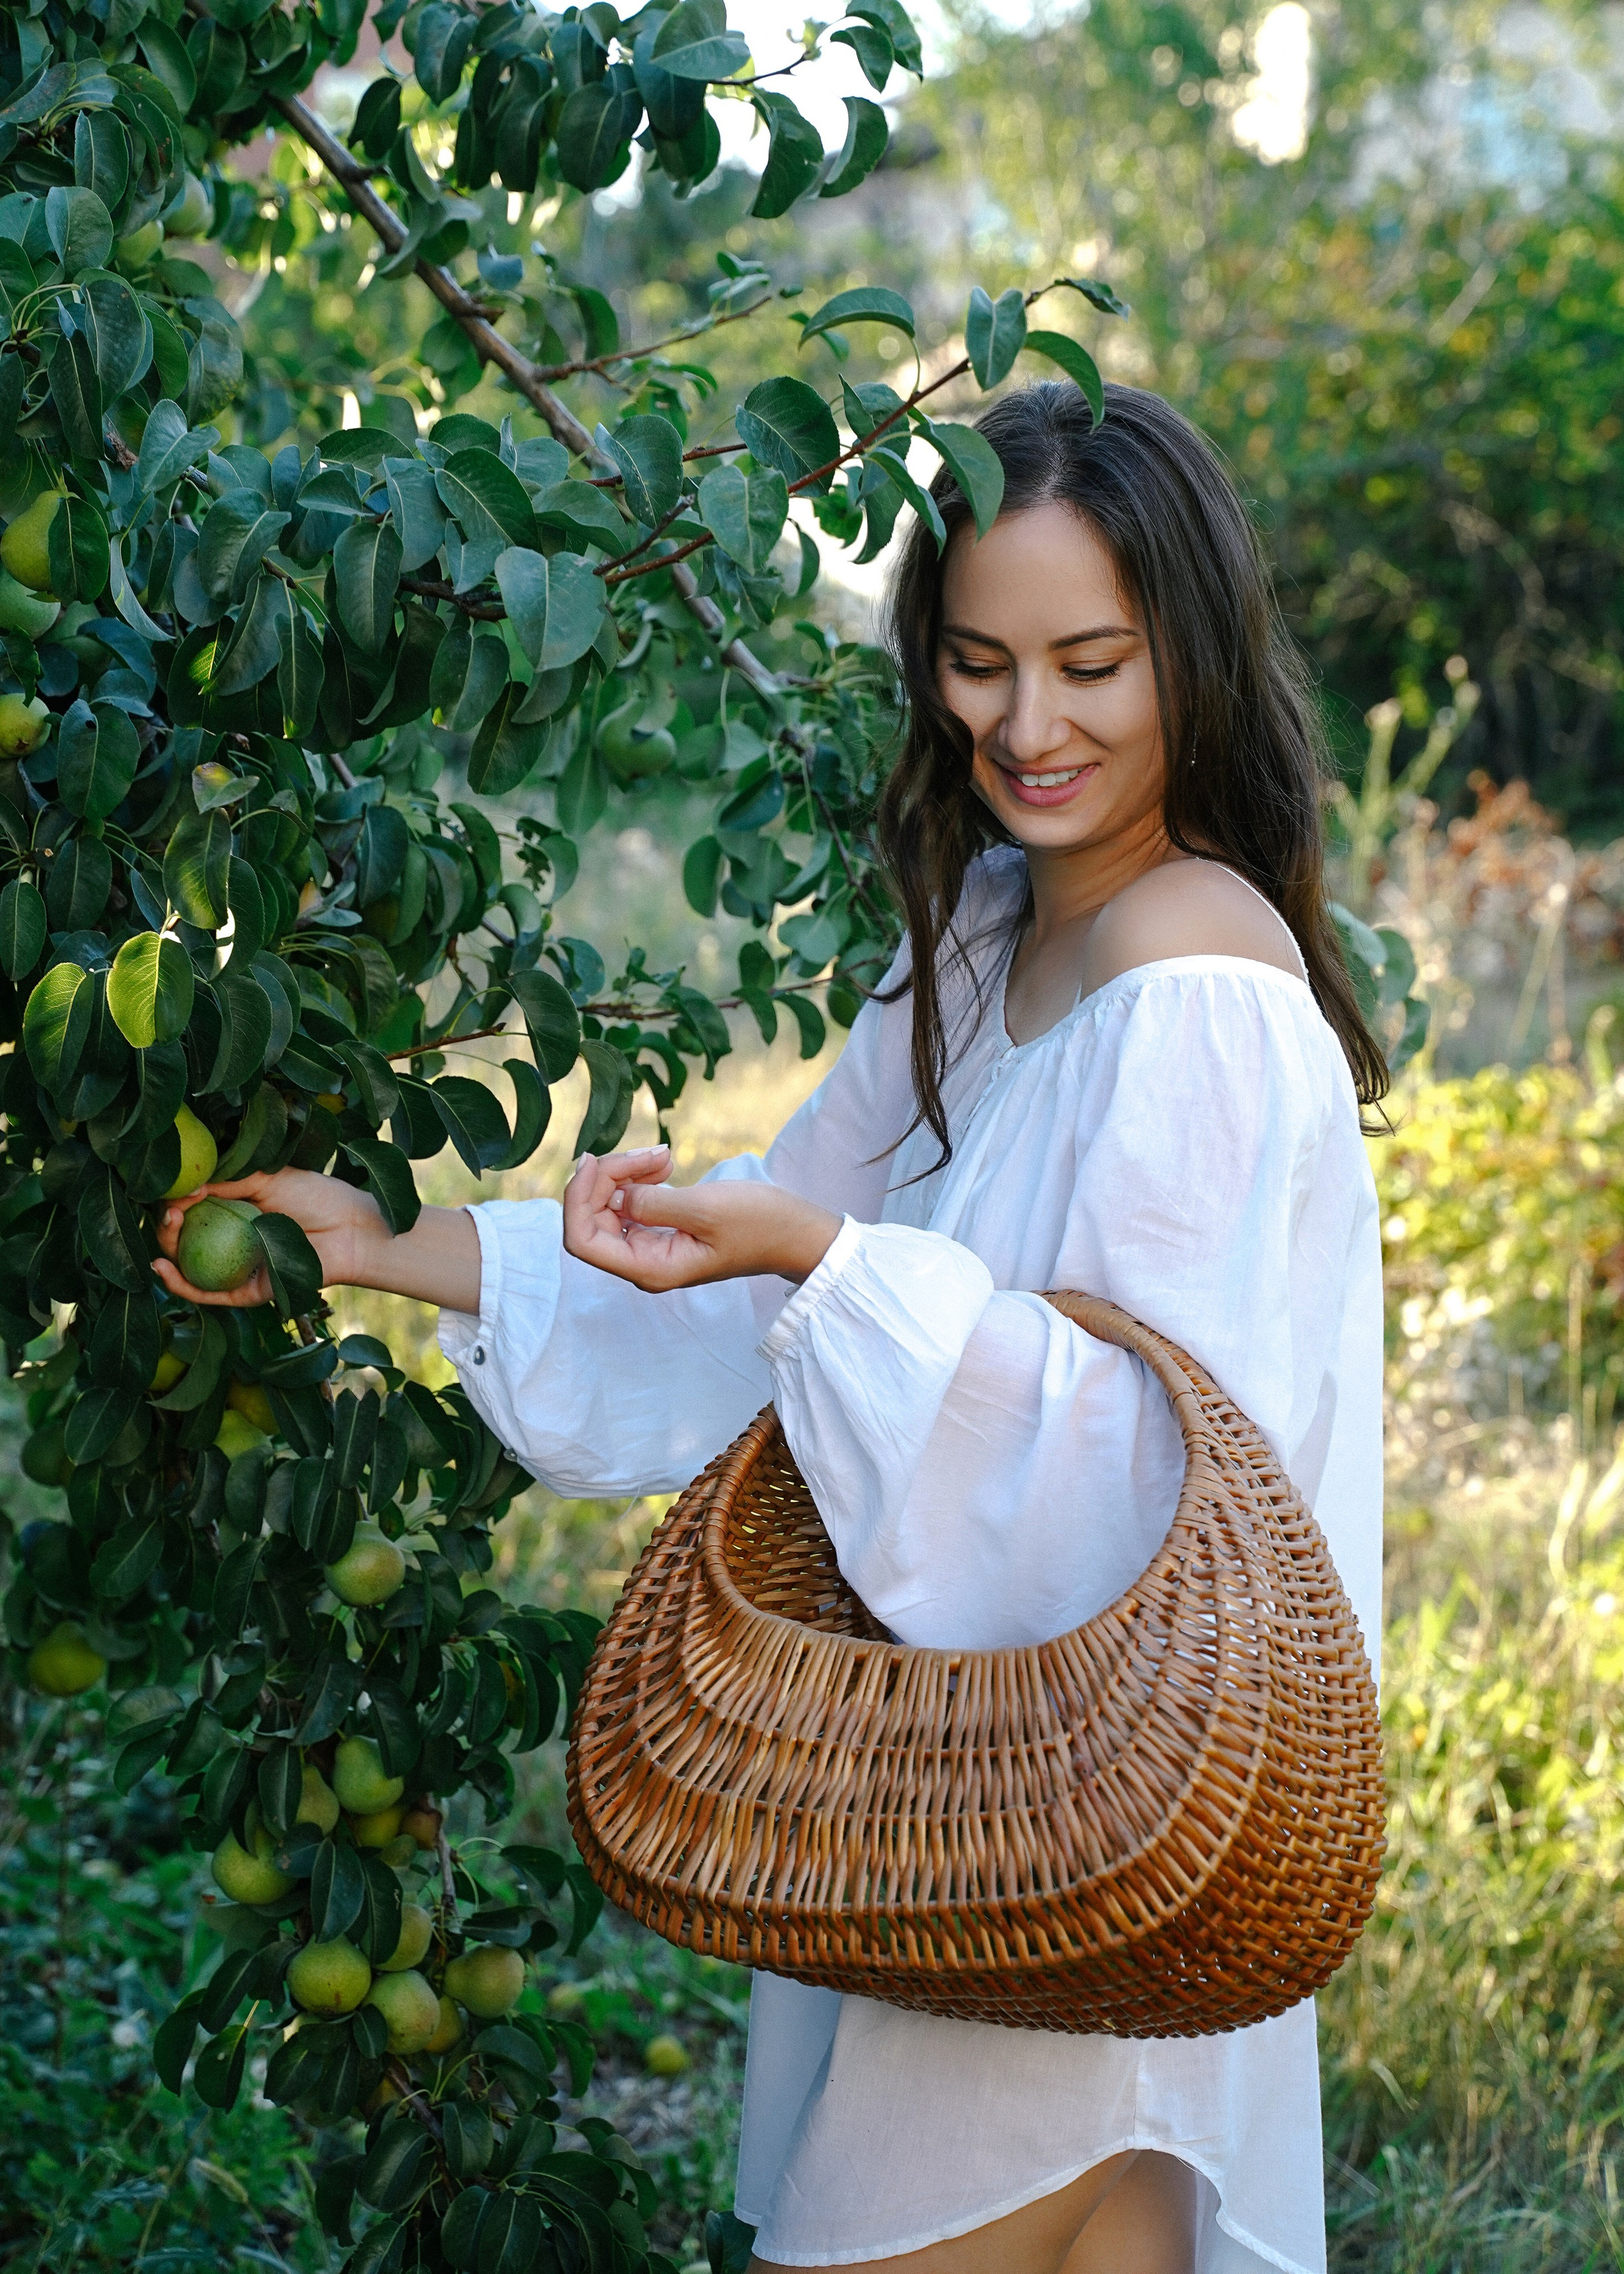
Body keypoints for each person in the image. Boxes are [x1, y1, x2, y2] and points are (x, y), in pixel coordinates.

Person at [155, 381, 1386, 2274]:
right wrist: (383, 1242)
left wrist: (827, 1261)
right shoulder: (989, 925)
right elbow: (768, 1287)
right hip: (980, 1808)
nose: (1027, 728)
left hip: (1087, 1814)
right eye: (979, 664)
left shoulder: (1197, 989)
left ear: (1193, 661)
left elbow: (1146, 1470)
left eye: (1092, 665)